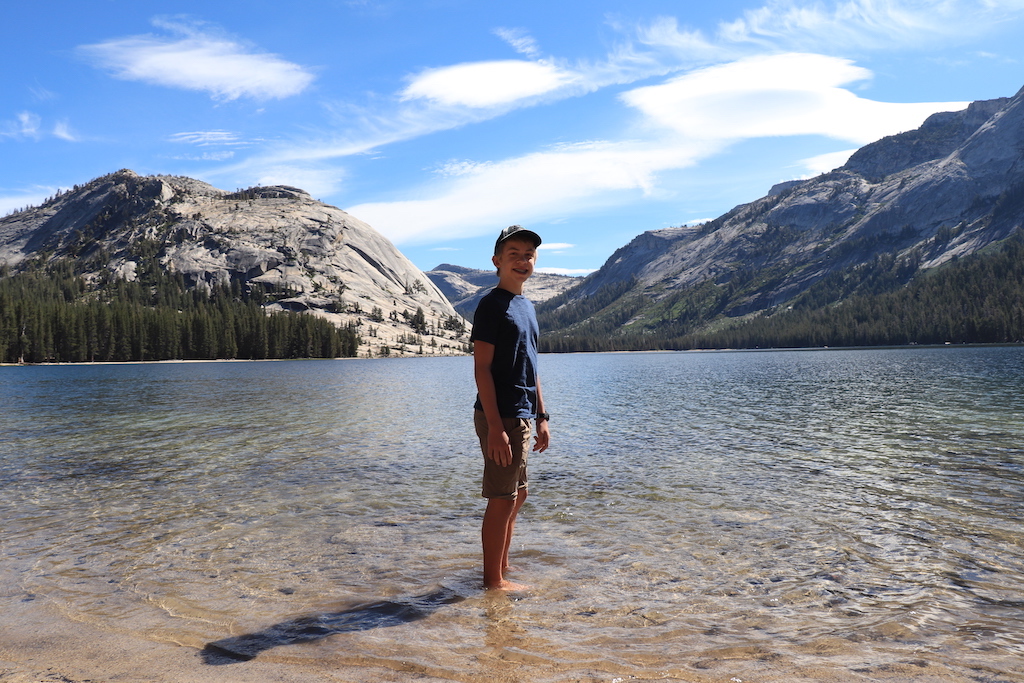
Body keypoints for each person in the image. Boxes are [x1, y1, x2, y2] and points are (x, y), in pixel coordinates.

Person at [471, 225, 551, 591]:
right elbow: (482, 368)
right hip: (499, 415)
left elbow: (531, 366)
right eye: (514, 253)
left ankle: (501, 566)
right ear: (497, 261)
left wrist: (542, 416)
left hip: (520, 414)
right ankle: (493, 582)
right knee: (503, 498)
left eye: (529, 254)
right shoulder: (491, 305)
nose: (523, 260)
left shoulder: (527, 307)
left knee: (519, 494)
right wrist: (497, 428)